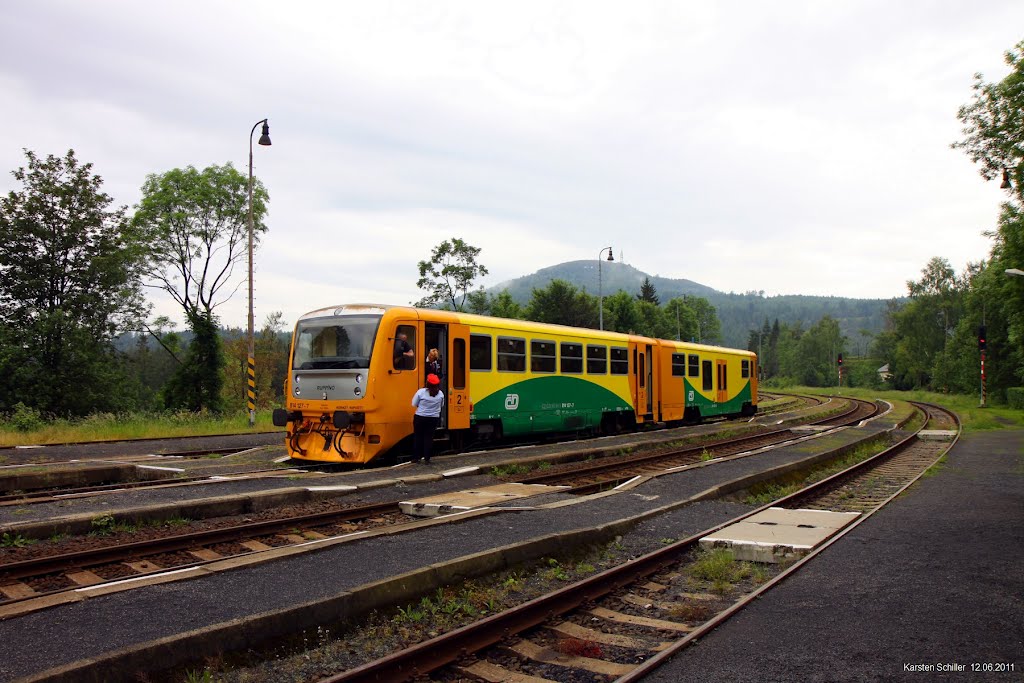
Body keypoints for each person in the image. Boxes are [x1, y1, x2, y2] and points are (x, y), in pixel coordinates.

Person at [411, 374, 444, 464]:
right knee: (428, 438)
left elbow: (414, 403)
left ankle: (416, 458)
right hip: (433, 419)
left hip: (420, 417)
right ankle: (427, 459)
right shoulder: (440, 394)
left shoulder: (421, 392)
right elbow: (441, 405)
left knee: (418, 437)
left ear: (427, 383)